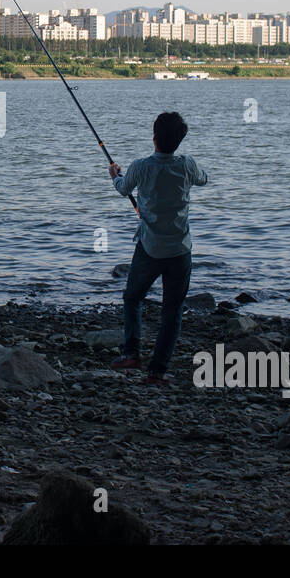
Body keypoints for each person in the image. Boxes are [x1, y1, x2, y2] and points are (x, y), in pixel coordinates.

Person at [107, 111, 208, 384]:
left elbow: (121, 188)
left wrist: (115, 174)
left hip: (149, 248)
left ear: (154, 137)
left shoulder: (141, 166)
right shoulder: (187, 165)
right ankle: (157, 371)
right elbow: (203, 179)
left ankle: (131, 353)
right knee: (172, 311)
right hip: (180, 249)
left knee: (132, 297)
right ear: (179, 140)